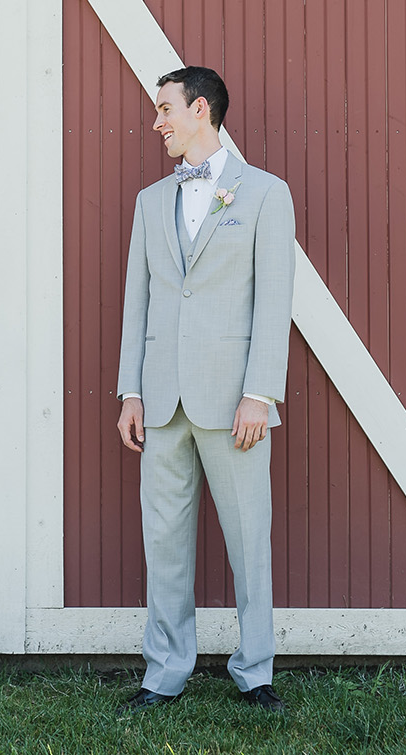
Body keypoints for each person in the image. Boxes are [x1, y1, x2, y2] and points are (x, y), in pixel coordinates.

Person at [117, 68, 294, 714]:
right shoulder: (147, 201)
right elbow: (138, 300)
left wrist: (260, 392)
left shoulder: (265, 194)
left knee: (249, 538)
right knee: (162, 539)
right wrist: (128, 391)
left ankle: (254, 669)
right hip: (160, 400)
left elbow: (274, 301)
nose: (156, 121)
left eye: (164, 109)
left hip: (233, 401)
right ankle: (163, 670)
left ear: (199, 109)